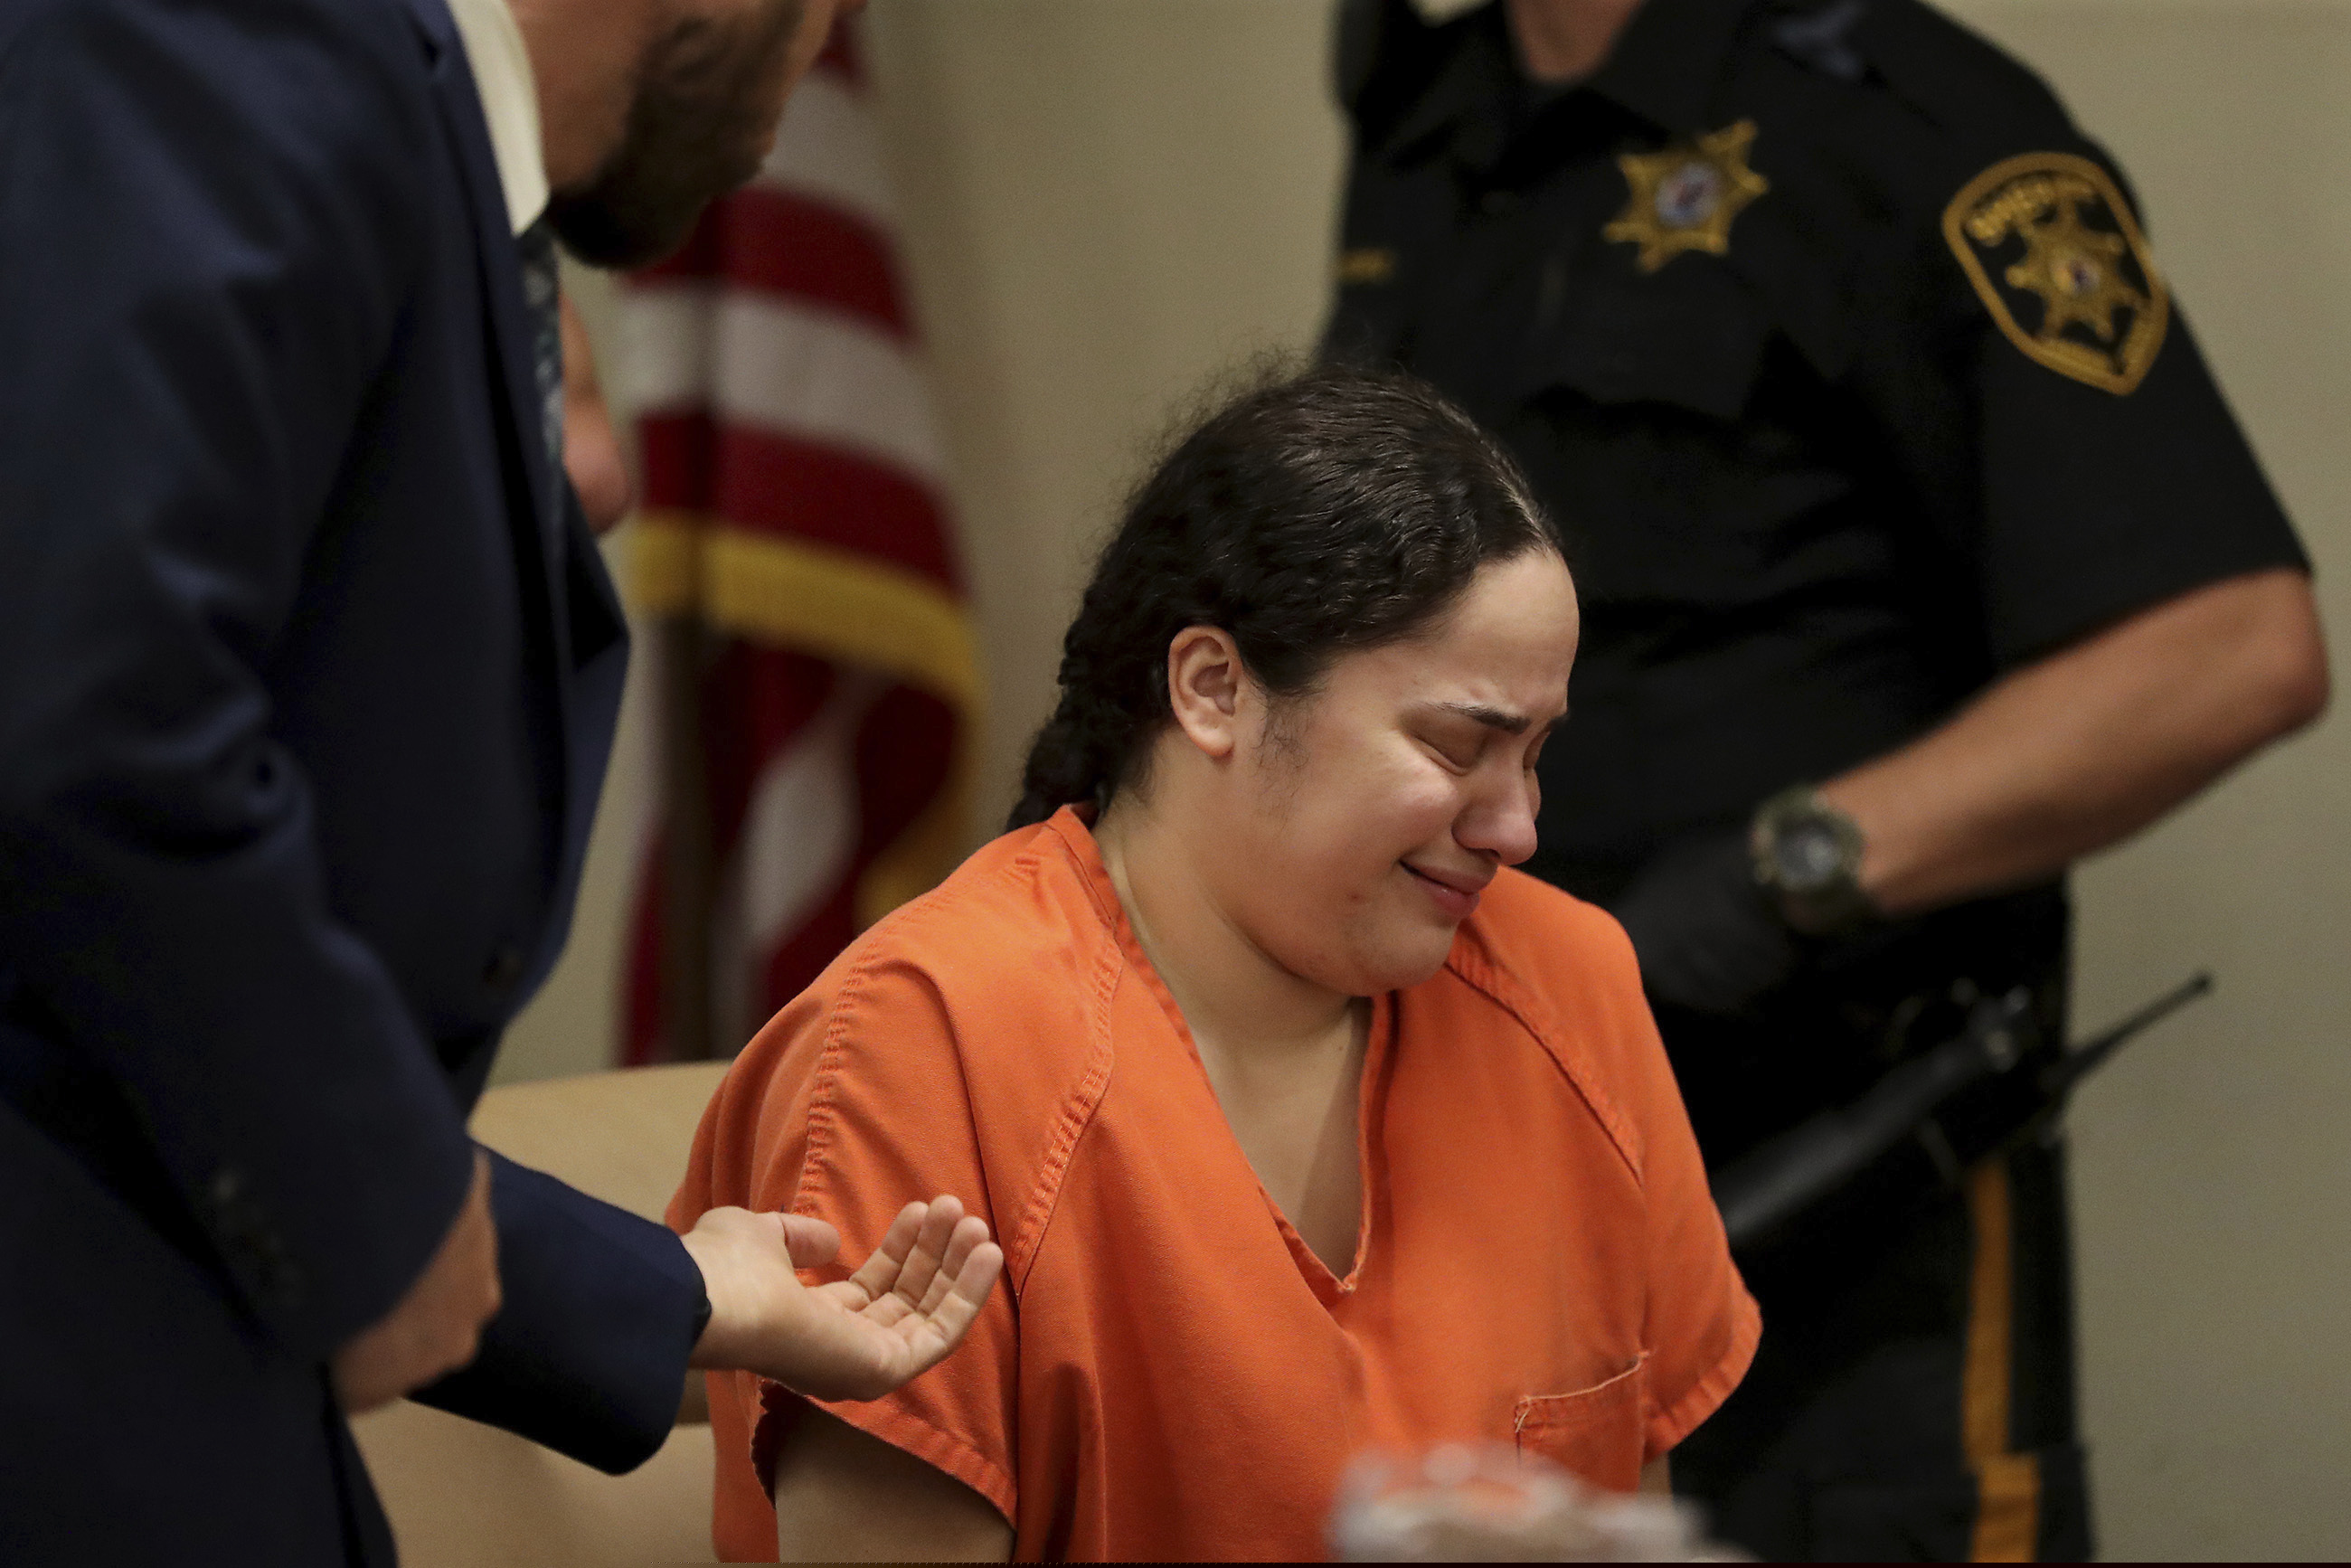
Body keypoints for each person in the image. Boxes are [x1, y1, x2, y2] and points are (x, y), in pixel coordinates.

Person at [1321, 0, 2328, 1559]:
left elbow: (2226, 645)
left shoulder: (1907, 120)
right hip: (1490, 1169)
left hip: (1836, 1179)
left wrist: (1765, 889)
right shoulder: (1434, 118)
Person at [0, 0, 1001, 1560]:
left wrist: (682, 1295)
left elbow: (131, 1029)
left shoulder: (373, 122)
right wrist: (371, 1211)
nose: (807, 80)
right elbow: (90, 712)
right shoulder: (235, 44)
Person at [669, 366, 1761, 1562]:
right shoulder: (927, 1044)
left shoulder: (1570, 981)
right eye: (1458, 743)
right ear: (1213, 688)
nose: (1518, 827)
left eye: (1537, 753)